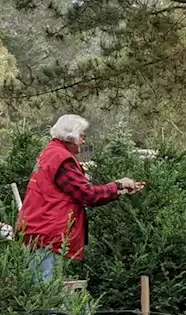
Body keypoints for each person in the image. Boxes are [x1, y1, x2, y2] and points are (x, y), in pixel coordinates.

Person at [17, 114, 144, 280]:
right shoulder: (61, 160)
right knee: (44, 291)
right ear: (71, 136)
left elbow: (74, 195)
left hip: (38, 230)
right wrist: (118, 185)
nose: (83, 141)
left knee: (40, 286)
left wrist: (119, 192)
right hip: (49, 234)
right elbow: (88, 194)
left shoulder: (50, 154)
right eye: (82, 135)